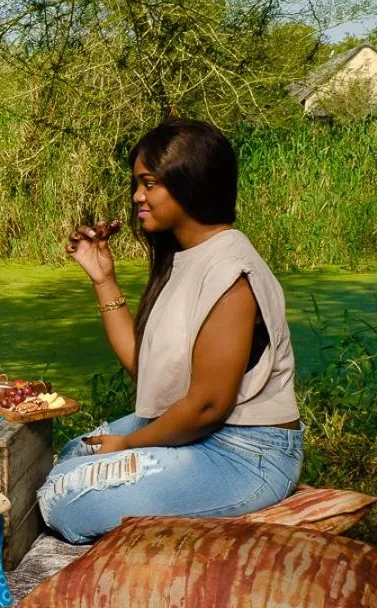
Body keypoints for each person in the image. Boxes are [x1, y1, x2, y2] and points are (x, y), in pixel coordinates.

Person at [39, 119, 303, 543]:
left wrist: (129, 446)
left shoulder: (230, 270)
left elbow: (207, 407)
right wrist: (103, 278)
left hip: (246, 453)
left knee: (65, 498)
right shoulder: (187, 257)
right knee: (74, 454)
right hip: (203, 436)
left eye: (148, 183)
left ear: (189, 181)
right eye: (136, 184)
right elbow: (146, 373)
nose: (137, 197)